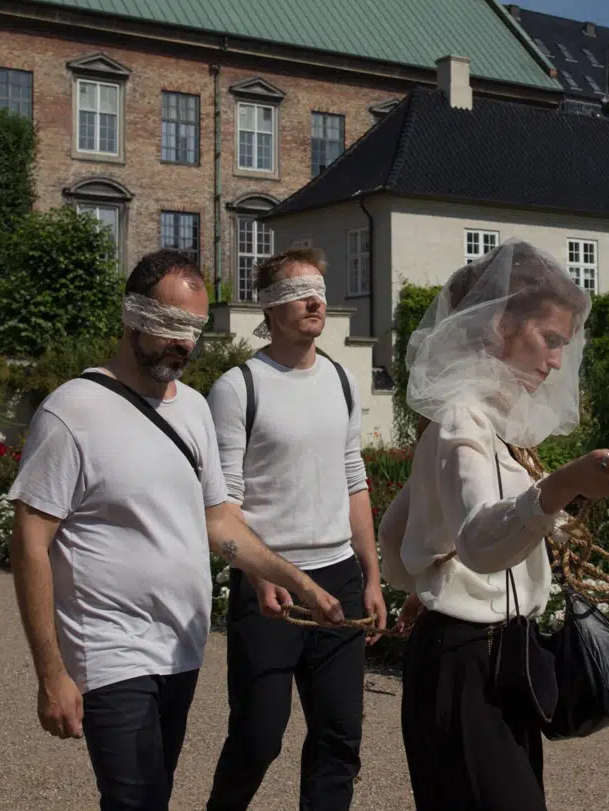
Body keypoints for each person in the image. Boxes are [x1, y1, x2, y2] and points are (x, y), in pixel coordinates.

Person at [7, 248, 346, 811]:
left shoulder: (191, 408)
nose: (182, 342)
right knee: (135, 799)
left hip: (180, 649)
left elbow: (219, 523)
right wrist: (52, 673)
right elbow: (30, 543)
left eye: (193, 328)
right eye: (168, 325)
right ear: (131, 316)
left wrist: (301, 584)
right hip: (111, 649)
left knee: (154, 794)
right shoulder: (72, 412)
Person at [376, 239, 609, 811]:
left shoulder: (492, 427)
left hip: (491, 660)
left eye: (563, 345)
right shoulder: (460, 421)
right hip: (467, 667)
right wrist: (562, 486)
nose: (556, 361)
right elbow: (477, 539)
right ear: (498, 325)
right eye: (549, 340)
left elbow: (399, 537)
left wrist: (426, 584)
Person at [205, 248, 383, 811]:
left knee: (339, 739)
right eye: (298, 293)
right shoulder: (238, 388)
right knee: (258, 737)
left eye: (319, 292)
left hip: (338, 575)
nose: (315, 302)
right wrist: (257, 576)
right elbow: (223, 505)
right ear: (270, 308)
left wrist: (372, 575)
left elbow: (354, 476)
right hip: (269, 583)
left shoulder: (340, 378)